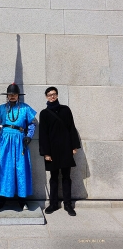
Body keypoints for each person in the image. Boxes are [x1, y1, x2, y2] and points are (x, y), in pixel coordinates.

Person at [0, 83, 36, 211]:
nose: (12, 96)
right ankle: (1, 200)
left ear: (18, 96)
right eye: (10, 94)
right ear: (7, 96)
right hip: (4, 142)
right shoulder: (1, 109)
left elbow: (32, 124)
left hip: (20, 141)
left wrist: (29, 136)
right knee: (3, 168)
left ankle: (22, 200)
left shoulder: (25, 108)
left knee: (21, 169)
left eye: (14, 94)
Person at [39, 86, 80, 216]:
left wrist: (74, 146)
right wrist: (46, 153)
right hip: (52, 151)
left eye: (54, 94)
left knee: (67, 177)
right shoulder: (44, 113)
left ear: (57, 95)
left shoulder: (65, 110)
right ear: (46, 97)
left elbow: (71, 128)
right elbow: (43, 134)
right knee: (54, 178)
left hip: (66, 148)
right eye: (50, 94)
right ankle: (53, 204)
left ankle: (68, 204)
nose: (52, 96)